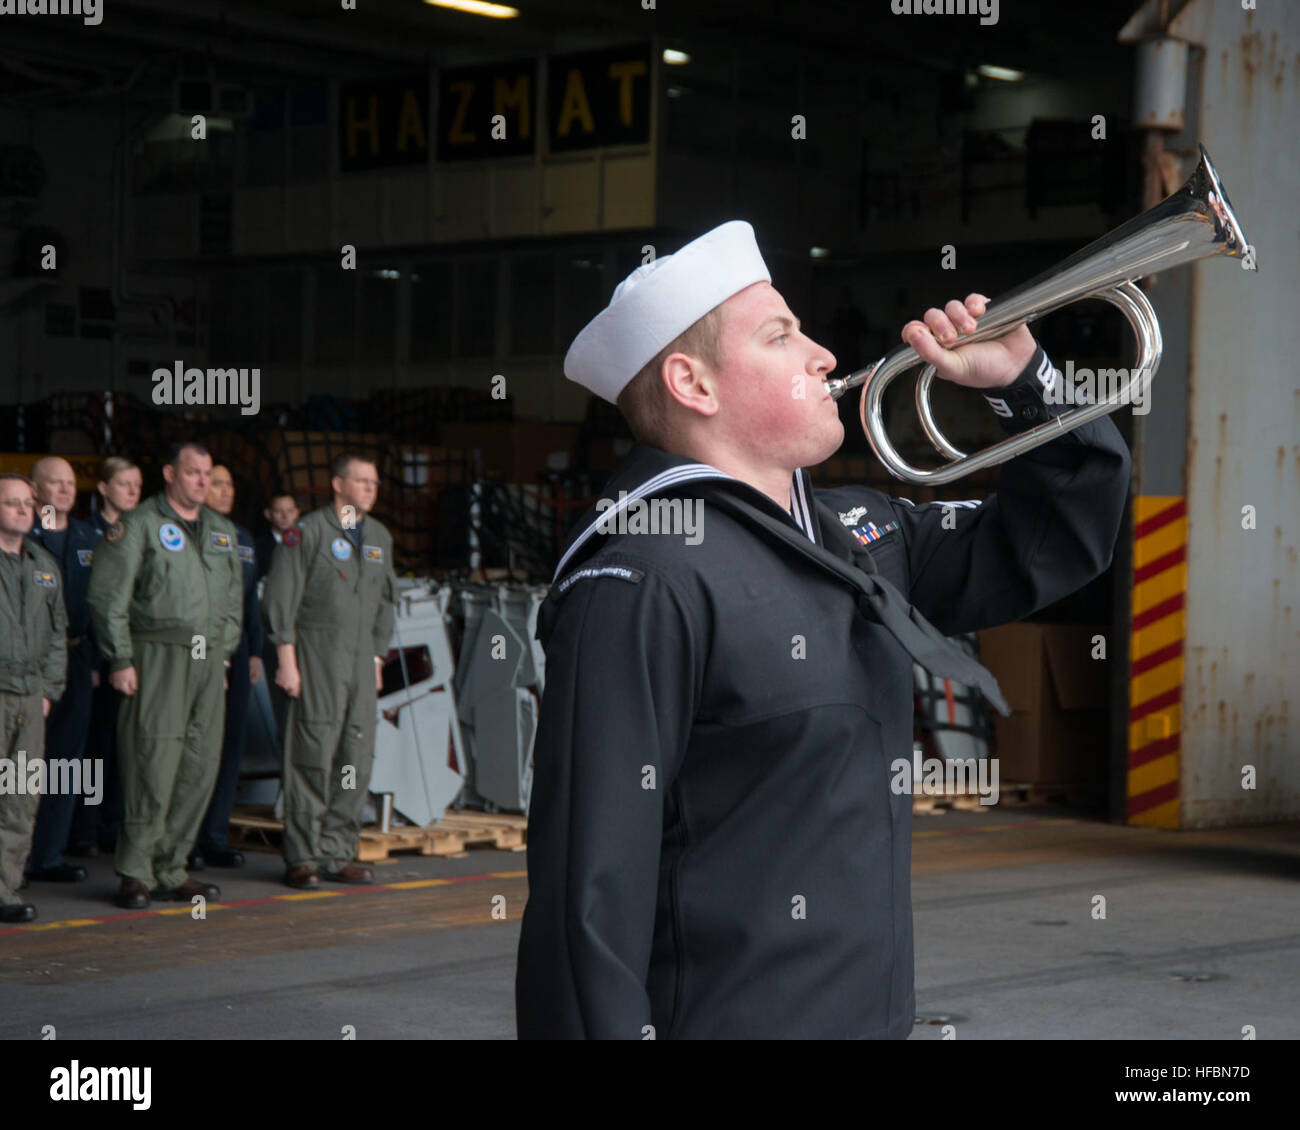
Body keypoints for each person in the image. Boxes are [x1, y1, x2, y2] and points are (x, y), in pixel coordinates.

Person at [514, 220, 1131, 1039]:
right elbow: (584, 906)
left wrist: (1024, 382)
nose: (823, 356)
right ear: (693, 384)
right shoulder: (639, 581)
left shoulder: (859, 534)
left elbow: (1058, 539)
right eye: (781, 335)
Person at [87, 442, 243, 910]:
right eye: (193, 473)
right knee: (151, 761)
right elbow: (107, 597)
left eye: (208, 474)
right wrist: (120, 659)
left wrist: (225, 655)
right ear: (170, 473)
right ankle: (136, 871)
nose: (202, 481)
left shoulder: (221, 531)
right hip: (157, 652)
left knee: (199, 764)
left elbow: (234, 599)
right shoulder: (138, 525)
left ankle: (172, 868)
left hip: (207, 656)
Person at [263, 454, 395, 890]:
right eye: (363, 481)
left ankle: (338, 853)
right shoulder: (309, 532)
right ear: (338, 485)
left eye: (375, 482)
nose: (371, 489)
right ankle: (302, 857)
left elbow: (386, 603)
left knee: (355, 756)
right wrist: (287, 660)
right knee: (311, 754)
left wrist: (377, 657)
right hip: (316, 655)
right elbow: (281, 597)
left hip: (360, 662)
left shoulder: (379, 537)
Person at [24, 457, 101, 884]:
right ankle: (17, 854)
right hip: (29, 663)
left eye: (70, 483)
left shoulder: (89, 536)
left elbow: (101, 602)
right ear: (35, 491)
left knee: (67, 762)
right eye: (55, 483)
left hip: (76, 660)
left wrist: (100, 661)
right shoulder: (22, 537)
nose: (65, 490)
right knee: (23, 761)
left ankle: (49, 854)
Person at [0, 473, 67, 924]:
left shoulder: (44, 564)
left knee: (20, 797)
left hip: (30, 697)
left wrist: (49, 690)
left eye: (28, 503)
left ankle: (5, 891)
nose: (24, 510)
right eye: (12, 503)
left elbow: (58, 634)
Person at [190, 465, 264, 869]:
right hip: (199, 651)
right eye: (216, 483)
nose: (223, 490)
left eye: (229, 483)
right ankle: (184, 839)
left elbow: (249, 598)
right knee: (193, 745)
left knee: (229, 745)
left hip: (236, 651)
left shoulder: (243, 539)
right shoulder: (187, 533)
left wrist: (254, 651)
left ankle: (214, 836)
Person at [68, 456, 142, 858]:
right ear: (103, 489)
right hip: (97, 658)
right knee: (92, 749)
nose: (132, 491)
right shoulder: (86, 534)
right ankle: (86, 827)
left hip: (133, 655)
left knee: (123, 744)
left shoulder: (144, 531)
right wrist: (98, 661)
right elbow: (89, 603)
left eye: (137, 485)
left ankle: (114, 824)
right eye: (124, 484)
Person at [255, 493, 300, 581]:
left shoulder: (307, 543)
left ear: (297, 513)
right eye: (278, 511)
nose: (285, 516)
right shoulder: (257, 547)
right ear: (268, 514)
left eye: (290, 511)